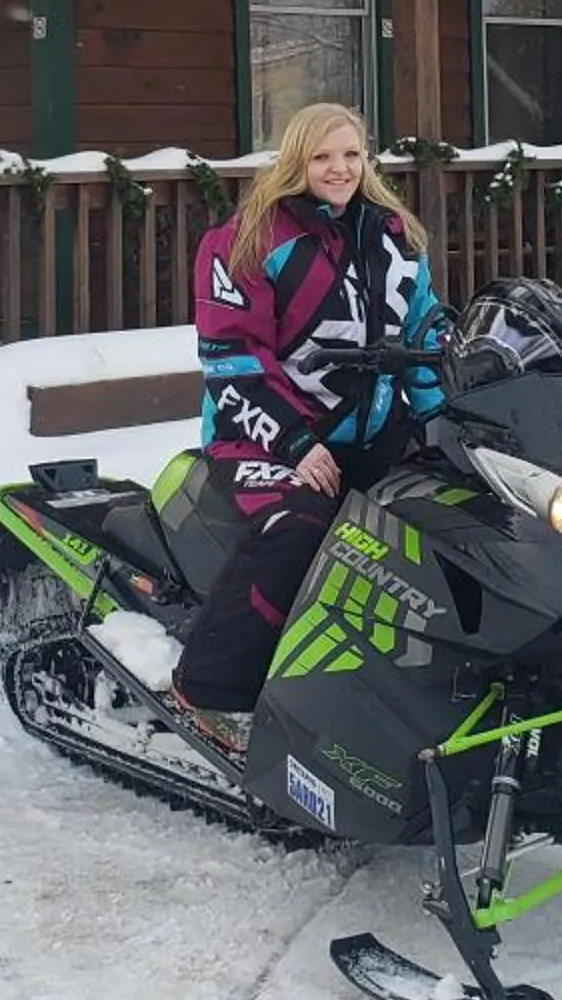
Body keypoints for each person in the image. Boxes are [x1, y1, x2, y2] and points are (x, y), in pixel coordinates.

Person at [173, 100, 447, 747]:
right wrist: (296, 442)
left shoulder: (395, 239)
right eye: (323, 156)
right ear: (297, 160)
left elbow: (424, 336)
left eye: (352, 154)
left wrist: (450, 425)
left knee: (449, 516)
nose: (340, 168)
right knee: (299, 526)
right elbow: (232, 362)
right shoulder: (247, 241)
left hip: (374, 434)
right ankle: (207, 687)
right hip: (261, 436)